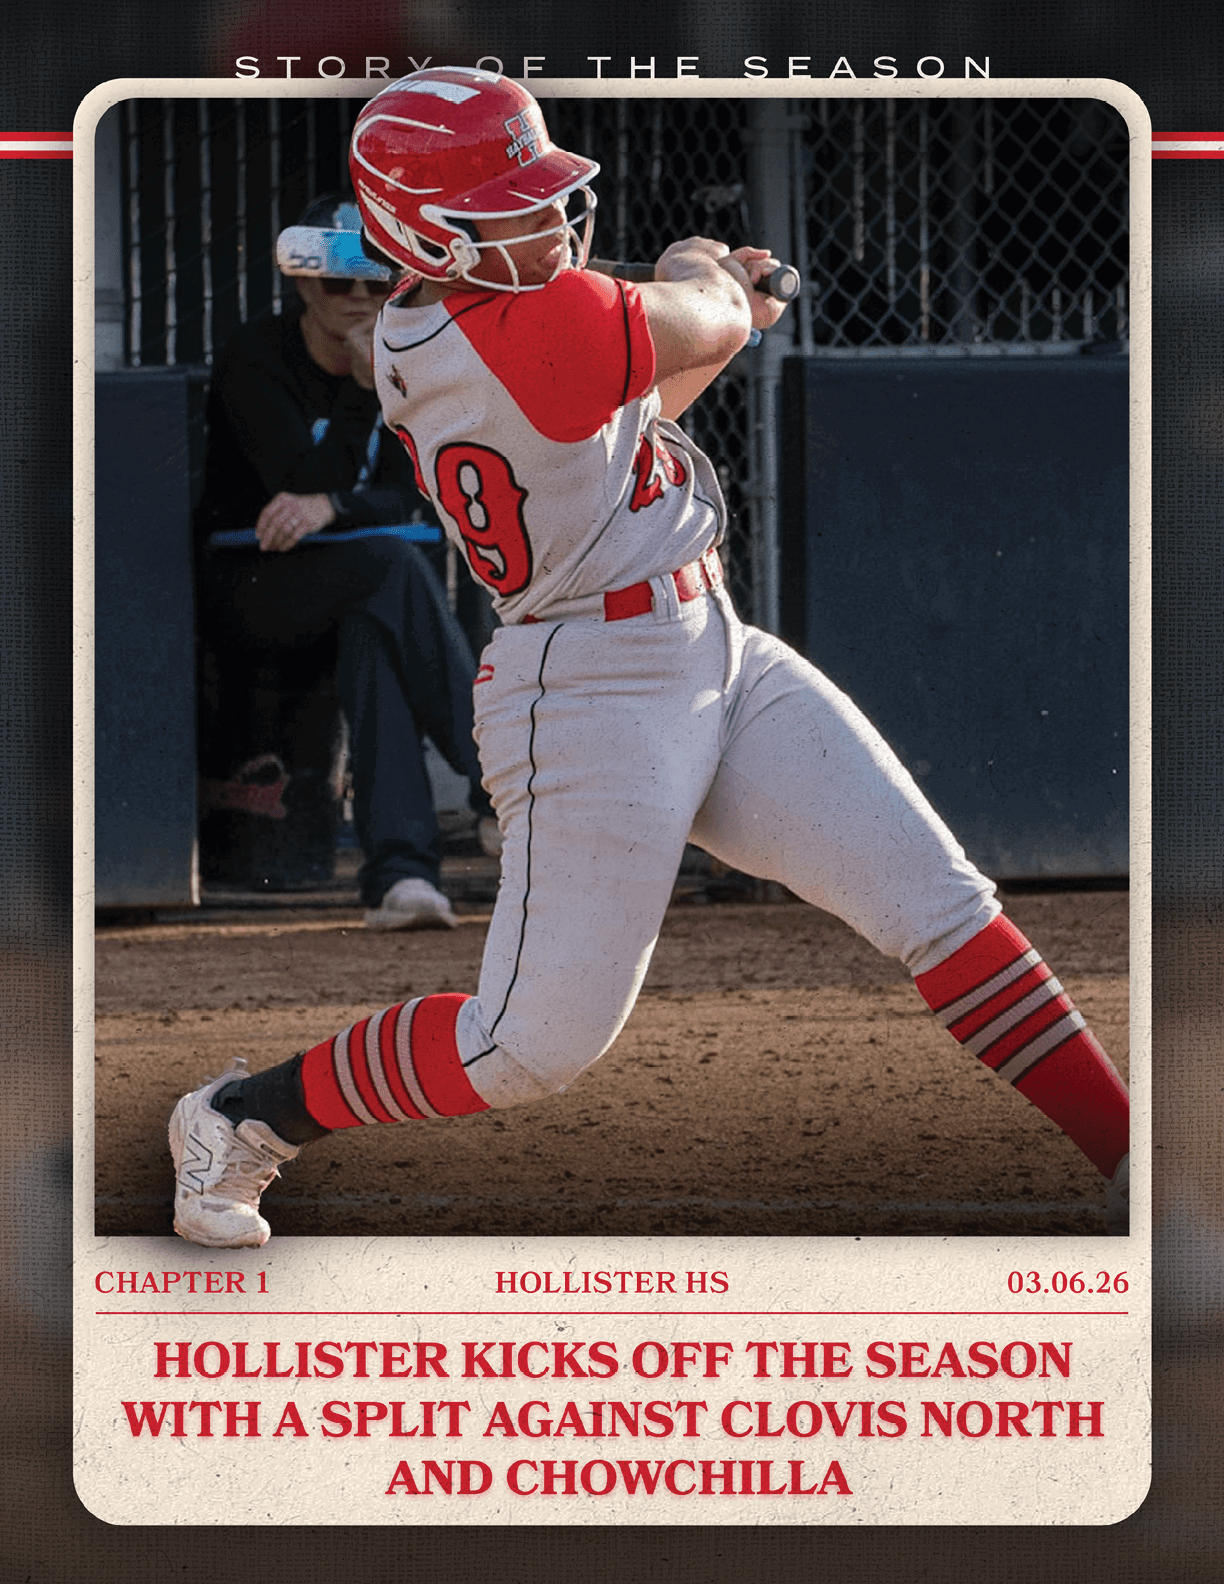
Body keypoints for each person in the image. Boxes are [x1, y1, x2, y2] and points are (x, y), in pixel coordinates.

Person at [169, 69, 1130, 1246]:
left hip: (711, 642)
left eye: (540, 198)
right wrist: (706, 273)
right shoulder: (515, 327)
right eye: (504, 212)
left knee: (941, 905)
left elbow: (649, 396)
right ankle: (239, 1119)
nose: (546, 223)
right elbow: (695, 319)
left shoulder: (492, 317)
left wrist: (716, 304)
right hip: (586, 693)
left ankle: (1138, 1162)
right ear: (427, 234)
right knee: (525, 1046)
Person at [194, 192, 498, 930]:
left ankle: (401, 879)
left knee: (374, 626)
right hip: (249, 589)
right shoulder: (257, 354)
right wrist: (366, 392)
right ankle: (502, 782)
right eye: (340, 283)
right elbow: (291, 483)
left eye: (376, 282)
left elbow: (408, 500)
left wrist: (339, 507)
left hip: (351, 589)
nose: (360, 299)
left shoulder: (406, 360)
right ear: (304, 283)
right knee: (387, 569)